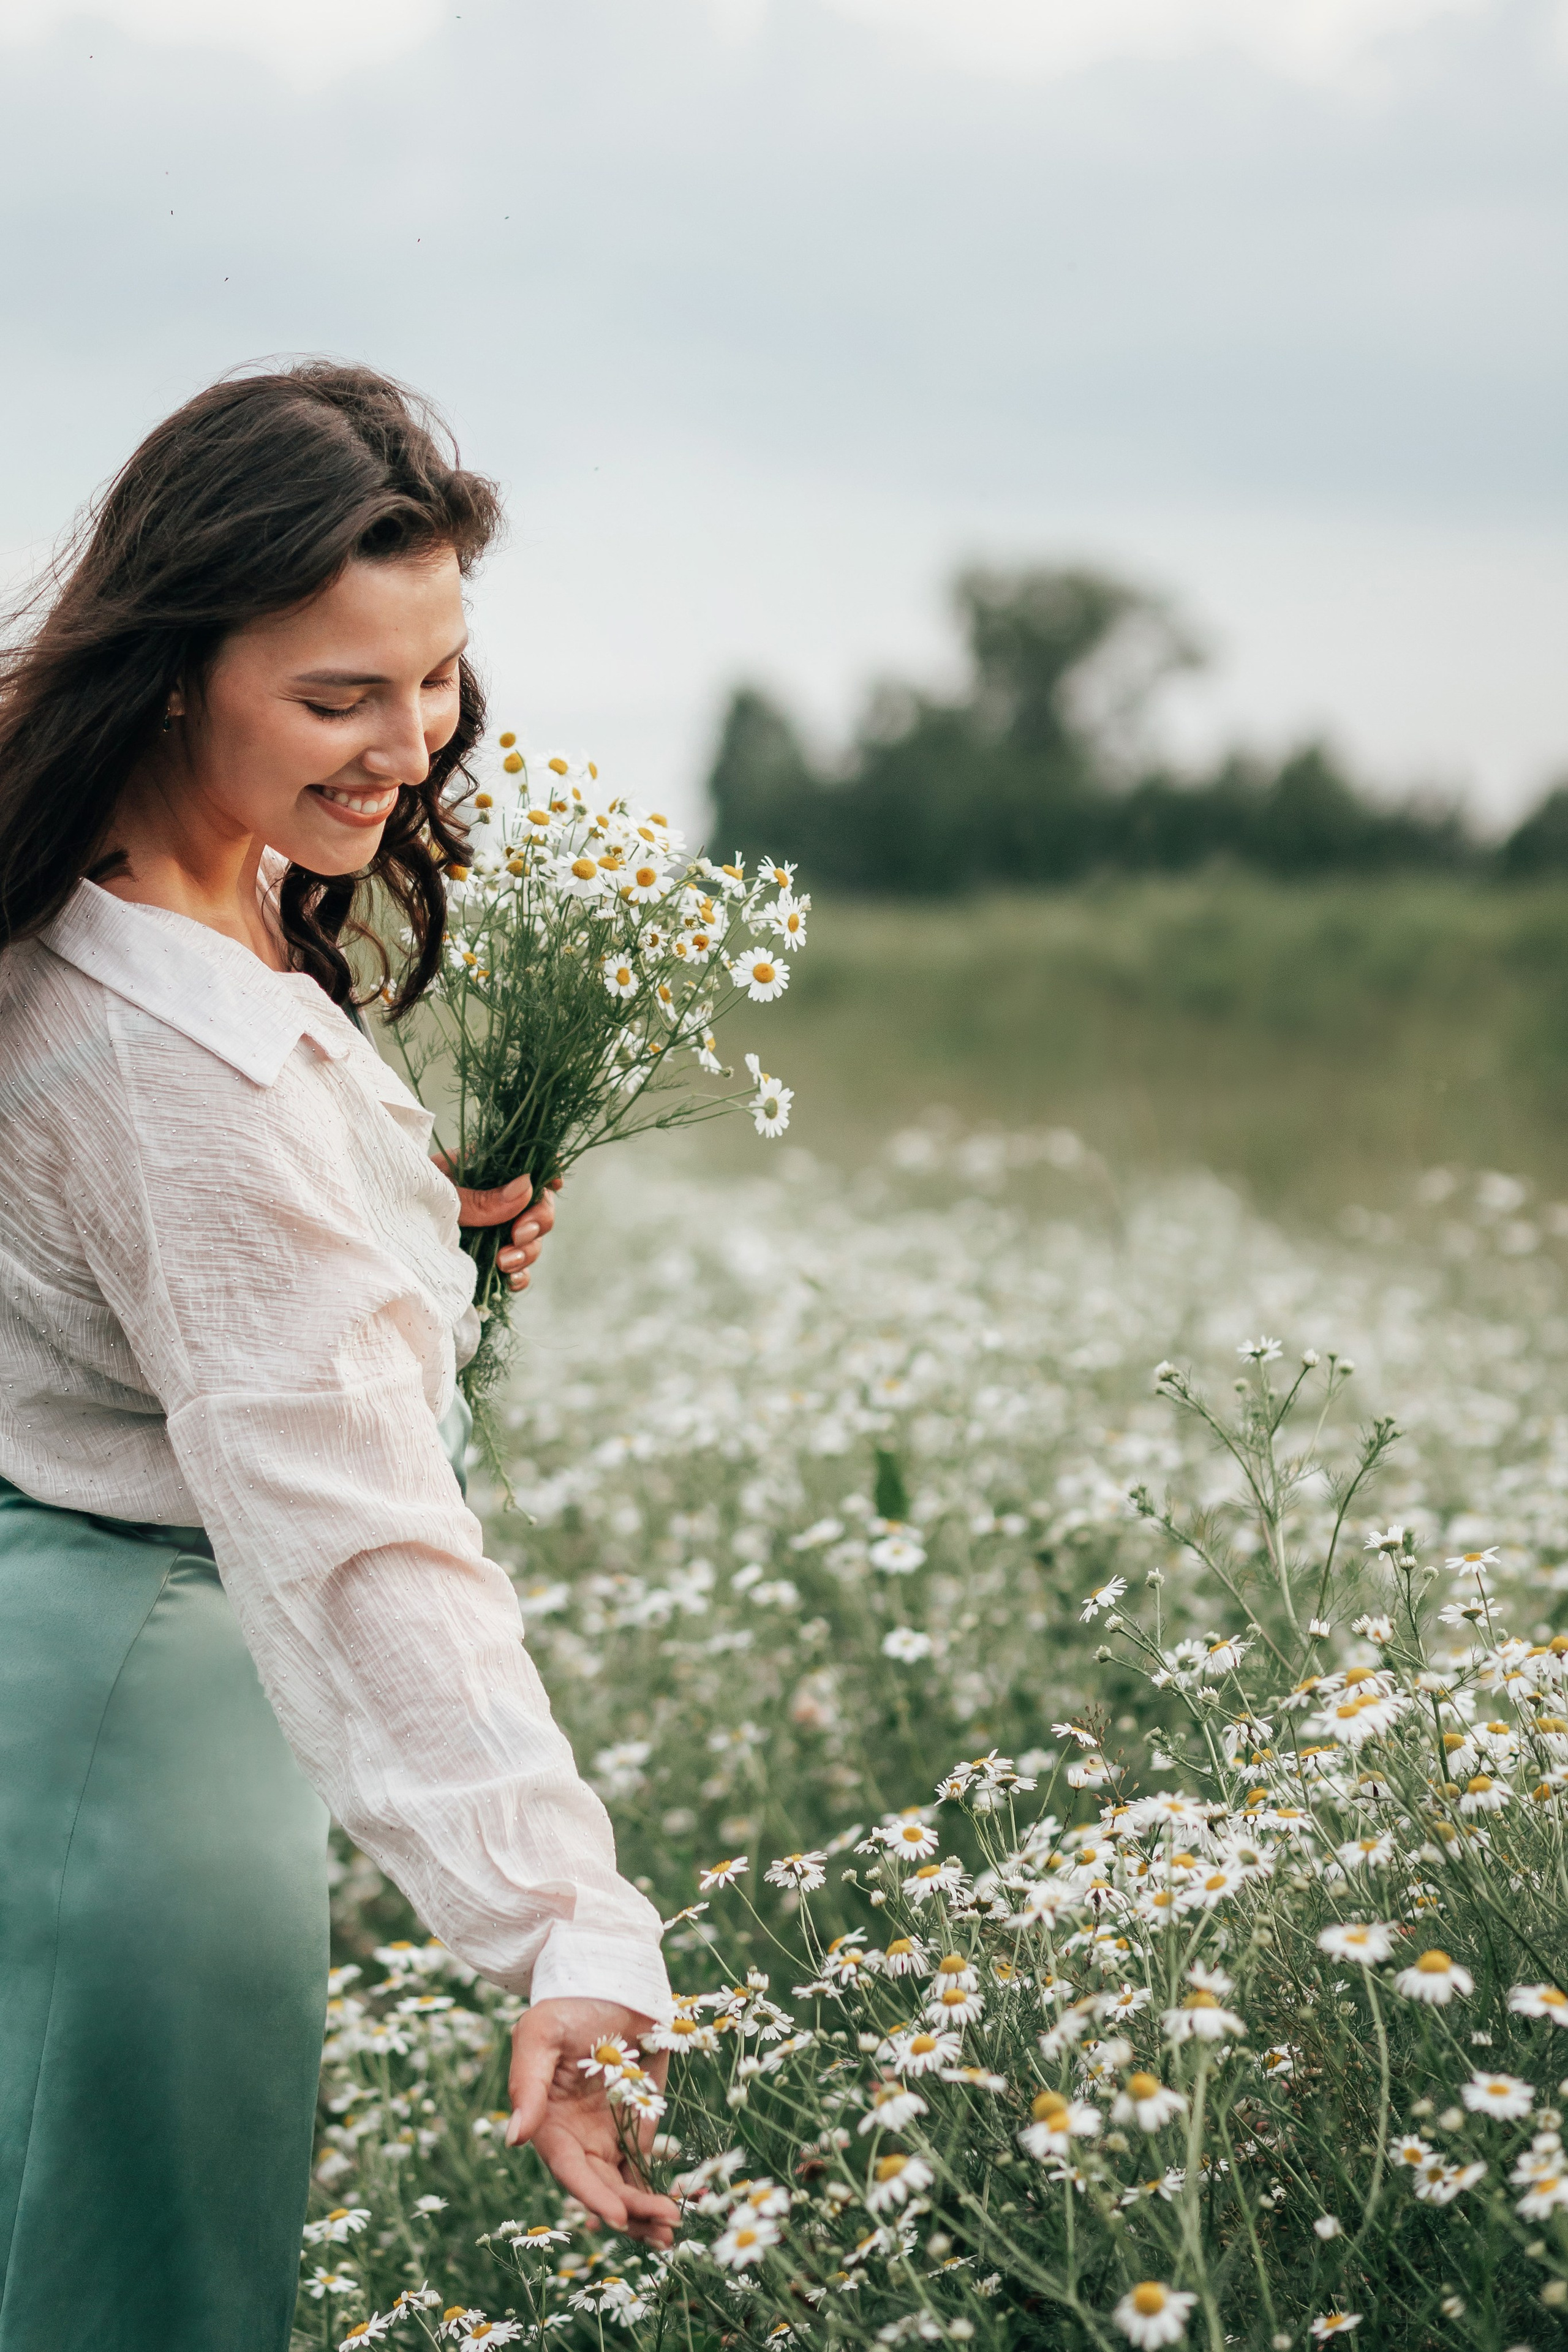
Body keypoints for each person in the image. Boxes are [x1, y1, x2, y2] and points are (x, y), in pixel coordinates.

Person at [0, 361, 679, 2348]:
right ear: (176, 670)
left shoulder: (132, 892)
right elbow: (360, 1536)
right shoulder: (177, 1069)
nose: (410, 745)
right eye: (338, 697)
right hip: (142, 1741)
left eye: (438, 676)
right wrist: (567, 1928)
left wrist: (401, 1236)